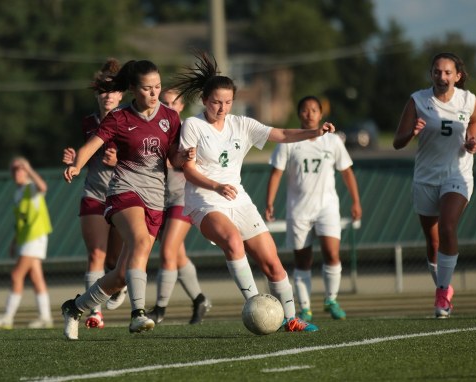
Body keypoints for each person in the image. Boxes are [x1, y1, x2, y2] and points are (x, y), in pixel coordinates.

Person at [171, 51, 335, 332]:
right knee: (233, 242)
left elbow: (282, 135)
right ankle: (255, 305)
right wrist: (216, 186)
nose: (222, 108)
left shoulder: (241, 124)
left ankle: (291, 318)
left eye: (227, 102)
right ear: (204, 100)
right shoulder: (193, 125)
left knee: (273, 263)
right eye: (216, 102)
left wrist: (315, 132)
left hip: (238, 199)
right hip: (205, 200)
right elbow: (187, 169)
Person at [60, 59, 191, 340]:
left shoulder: (171, 117)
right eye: (147, 88)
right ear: (133, 89)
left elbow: (173, 158)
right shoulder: (119, 118)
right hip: (124, 191)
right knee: (141, 242)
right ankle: (138, 314)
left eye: (157, 86)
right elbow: (91, 145)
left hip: (157, 197)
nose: (154, 93)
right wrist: (76, 165)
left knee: (120, 275)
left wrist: (185, 157)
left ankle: (75, 308)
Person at [392, 52, 476, 318]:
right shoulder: (418, 100)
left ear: (458, 76)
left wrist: (471, 139)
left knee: (448, 225)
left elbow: (474, 122)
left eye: (447, 72)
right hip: (426, 177)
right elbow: (397, 142)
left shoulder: (469, 100)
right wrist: (412, 132)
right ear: (431, 74)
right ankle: (444, 287)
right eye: (437, 72)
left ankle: (442, 293)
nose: (442, 77)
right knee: (432, 242)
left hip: (457, 174)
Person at [265, 96, 362, 322]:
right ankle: (306, 307)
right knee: (302, 261)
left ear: (321, 114)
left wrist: (356, 201)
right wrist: (269, 202)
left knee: (332, 253)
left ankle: (331, 299)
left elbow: (346, 171)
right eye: (305, 110)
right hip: (298, 210)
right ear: (299, 114)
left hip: (327, 207)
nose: (309, 114)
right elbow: (276, 172)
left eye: (314, 110)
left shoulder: (333, 141)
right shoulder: (289, 141)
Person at [61, 58, 127, 330]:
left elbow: (143, 157)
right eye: (102, 90)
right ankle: (94, 313)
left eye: (113, 90)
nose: (107, 95)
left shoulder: (128, 118)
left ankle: (117, 285)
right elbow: (87, 152)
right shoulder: (89, 121)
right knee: (96, 254)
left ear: (121, 93)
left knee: (115, 261)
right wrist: (74, 160)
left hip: (124, 194)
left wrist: (118, 161)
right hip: (95, 193)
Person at [146, 88, 211, 325]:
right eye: (165, 102)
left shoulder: (187, 130)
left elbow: (194, 162)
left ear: (182, 106)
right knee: (178, 256)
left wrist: (182, 158)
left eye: (174, 103)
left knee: (167, 252)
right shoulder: (151, 127)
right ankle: (200, 299)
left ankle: (160, 309)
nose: (169, 106)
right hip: (157, 198)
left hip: (182, 197)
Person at [0, 157, 53, 329]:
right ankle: (45, 318)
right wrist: (14, 241)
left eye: (20, 169)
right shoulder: (18, 192)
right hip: (26, 238)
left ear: (26, 171)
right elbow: (20, 221)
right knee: (36, 278)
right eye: (15, 169)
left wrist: (29, 169)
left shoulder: (30, 187)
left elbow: (43, 187)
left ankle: (8, 317)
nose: (17, 172)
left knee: (16, 275)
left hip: (35, 237)